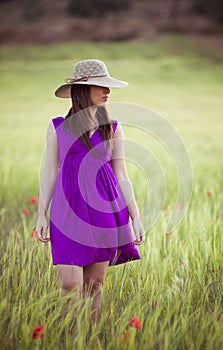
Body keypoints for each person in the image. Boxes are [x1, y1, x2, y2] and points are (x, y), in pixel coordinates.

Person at [35, 59, 145, 330]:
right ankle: (68, 339)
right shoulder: (58, 126)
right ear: (83, 90)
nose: (107, 91)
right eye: (101, 86)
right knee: (70, 285)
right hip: (67, 211)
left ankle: (90, 340)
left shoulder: (113, 128)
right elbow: (50, 172)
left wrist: (136, 217)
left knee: (95, 286)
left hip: (105, 211)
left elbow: (121, 175)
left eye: (108, 87)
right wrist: (41, 214)